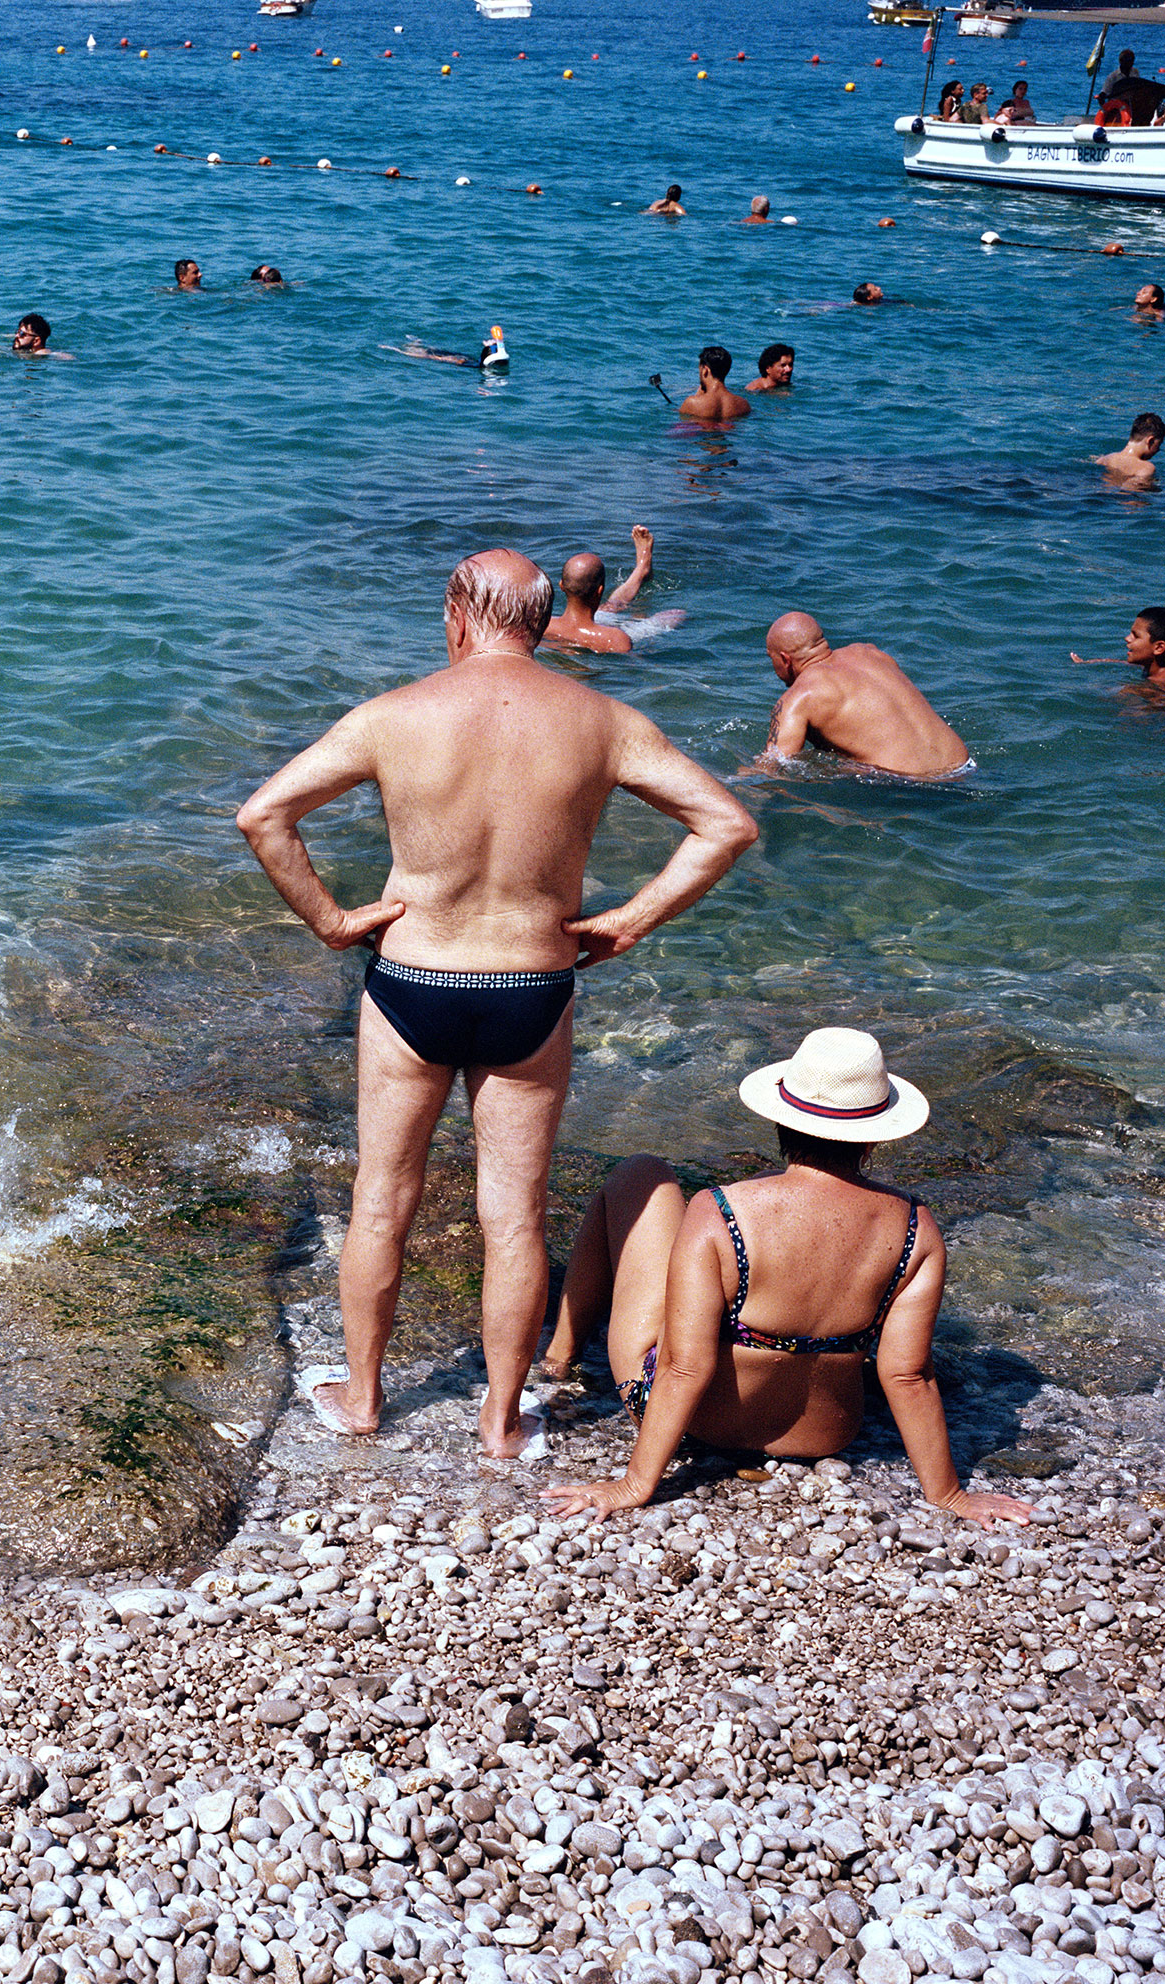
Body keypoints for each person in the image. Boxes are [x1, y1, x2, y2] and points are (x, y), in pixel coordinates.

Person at [235, 550, 756, 1458]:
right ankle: (501, 1422)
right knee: (512, 1214)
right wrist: (628, 922)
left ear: (454, 615)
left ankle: (363, 1401)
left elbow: (263, 817)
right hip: (532, 984)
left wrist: (330, 920)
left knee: (381, 1196)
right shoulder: (605, 720)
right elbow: (728, 824)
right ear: (542, 618)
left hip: (412, 981)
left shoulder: (391, 717)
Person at [538, 1030, 1030, 1527]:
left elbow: (684, 1369)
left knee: (641, 1176)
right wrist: (948, 1494)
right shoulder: (915, 1227)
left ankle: (559, 1356)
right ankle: (564, 1354)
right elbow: (908, 1375)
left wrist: (634, 1485)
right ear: (875, 1136)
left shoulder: (720, 1209)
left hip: (700, 1426)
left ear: (779, 1117)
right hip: (826, 1436)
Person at [752, 612, 970, 779]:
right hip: (965, 769)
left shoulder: (799, 698)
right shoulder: (872, 653)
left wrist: (733, 780)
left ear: (785, 659)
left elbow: (773, 768)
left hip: (913, 787)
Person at [542, 525, 657, 655]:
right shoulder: (615, 639)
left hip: (579, 631)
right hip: (603, 636)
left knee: (610, 607)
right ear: (600, 590)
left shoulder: (542, 625)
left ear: (561, 585)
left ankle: (642, 570)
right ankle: (642, 572)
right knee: (673, 614)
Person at [1070, 605, 1165, 686]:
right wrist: (1093, 662)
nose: (1127, 638)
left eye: (1136, 636)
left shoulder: (1158, 685)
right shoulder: (1153, 667)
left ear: (1159, 647)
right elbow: (1128, 664)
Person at [677, 345, 749, 424]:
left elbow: (681, 428)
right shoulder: (743, 405)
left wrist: (697, 398)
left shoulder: (692, 403)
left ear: (705, 370)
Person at [1096, 412, 1164, 488]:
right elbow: (1129, 492)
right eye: (1159, 444)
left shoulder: (1104, 459)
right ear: (1150, 441)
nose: (1158, 450)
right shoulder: (1146, 468)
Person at [1101, 49, 1165, 126]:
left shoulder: (1135, 72)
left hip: (1134, 104)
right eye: (1127, 60)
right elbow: (1104, 93)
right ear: (1121, 61)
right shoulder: (1112, 77)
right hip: (1119, 108)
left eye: (1132, 60)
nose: (1130, 63)